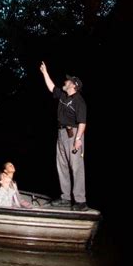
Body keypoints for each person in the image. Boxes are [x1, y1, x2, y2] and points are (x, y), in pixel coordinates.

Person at [40, 61, 88, 211]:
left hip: (73, 135)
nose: (65, 81)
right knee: (61, 166)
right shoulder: (63, 95)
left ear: (74, 85)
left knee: (76, 167)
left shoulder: (79, 101)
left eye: (68, 80)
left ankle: (80, 201)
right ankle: (65, 198)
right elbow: (51, 87)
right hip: (61, 134)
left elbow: (82, 122)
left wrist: (78, 140)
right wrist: (45, 73)